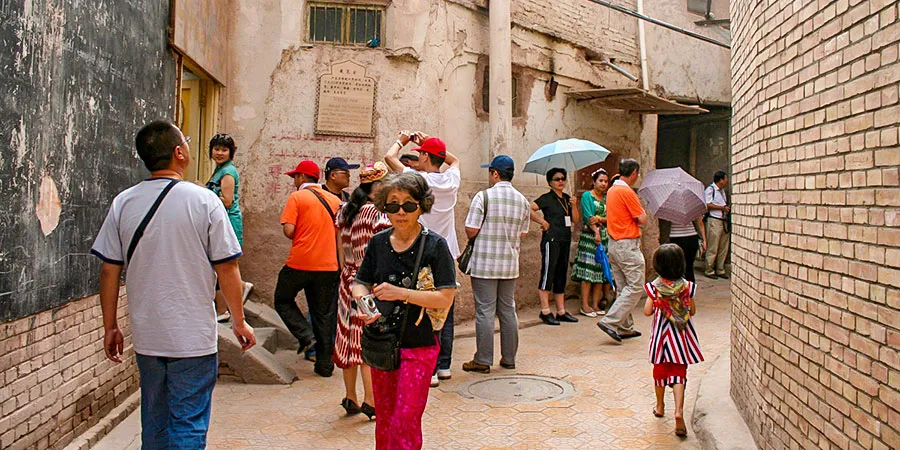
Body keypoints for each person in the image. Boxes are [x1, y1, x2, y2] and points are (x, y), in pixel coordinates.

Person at [91, 121, 256, 448]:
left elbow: (109, 271)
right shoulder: (205, 202)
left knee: (154, 421)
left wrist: (110, 327)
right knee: (188, 423)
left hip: (148, 336)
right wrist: (238, 320)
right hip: (193, 339)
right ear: (179, 153)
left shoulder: (123, 202)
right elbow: (227, 267)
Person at [352, 173, 457, 450]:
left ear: (422, 206)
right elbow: (360, 282)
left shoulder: (435, 245)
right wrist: (365, 306)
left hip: (419, 346)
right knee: (385, 420)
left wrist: (401, 294)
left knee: (405, 420)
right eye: (393, 205)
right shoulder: (378, 242)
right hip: (383, 343)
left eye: (409, 205)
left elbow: (446, 297)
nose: (400, 212)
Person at [384, 130, 460, 387]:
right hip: (447, 249)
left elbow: (389, 157)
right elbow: (455, 160)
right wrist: (428, 141)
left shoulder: (419, 180)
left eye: (421, 154)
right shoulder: (452, 180)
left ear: (425, 157)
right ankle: (445, 364)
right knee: (445, 306)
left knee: (422, 307)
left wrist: (403, 140)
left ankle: (431, 369)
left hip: (424, 249)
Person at [460, 156, 530, 374]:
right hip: (509, 265)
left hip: (485, 264)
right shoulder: (522, 200)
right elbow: (524, 232)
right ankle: (509, 358)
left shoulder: (484, 197)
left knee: (485, 311)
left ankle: (483, 359)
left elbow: (471, 229)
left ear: (495, 174)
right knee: (508, 310)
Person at [334, 162, 391, 420]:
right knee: (367, 339)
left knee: (347, 337)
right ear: (376, 186)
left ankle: (350, 396)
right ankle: (371, 400)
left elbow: (340, 248)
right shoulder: (376, 214)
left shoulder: (344, 210)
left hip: (346, 279)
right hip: (366, 284)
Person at [275, 160, 341, 377]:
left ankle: (305, 334)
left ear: (302, 178)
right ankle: (325, 366)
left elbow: (289, 230)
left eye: (295, 177)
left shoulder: (296, 197)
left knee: (282, 299)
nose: (294, 181)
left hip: (300, 262)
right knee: (324, 314)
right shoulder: (334, 200)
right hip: (329, 265)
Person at [642, 244, 704, 437]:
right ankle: (678, 411)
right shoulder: (687, 286)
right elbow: (692, 311)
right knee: (678, 374)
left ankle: (660, 406)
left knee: (660, 372)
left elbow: (647, 311)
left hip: (661, 338)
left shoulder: (655, 288)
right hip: (680, 337)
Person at [596, 159, 647, 343]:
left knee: (623, 287)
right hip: (627, 243)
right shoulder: (626, 190)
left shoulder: (611, 190)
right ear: (633, 173)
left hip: (614, 243)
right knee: (635, 286)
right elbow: (641, 218)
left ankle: (625, 326)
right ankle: (610, 321)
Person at [205, 133, 253, 323]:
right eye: (216, 148)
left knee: (222, 265)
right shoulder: (219, 169)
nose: (219, 152)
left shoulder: (227, 172)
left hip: (228, 223)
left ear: (231, 152)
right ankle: (241, 287)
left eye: (224, 149)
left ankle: (223, 311)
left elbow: (226, 201)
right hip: (221, 222)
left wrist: (202, 192)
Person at [530, 167, 580, 325]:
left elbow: (575, 220)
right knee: (548, 273)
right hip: (551, 240)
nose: (561, 181)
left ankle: (561, 311)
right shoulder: (546, 198)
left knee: (561, 273)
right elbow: (529, 208)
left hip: (565, 239)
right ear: (550, 182)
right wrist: (542, 222)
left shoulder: (567, 198)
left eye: (563, 179)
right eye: (557, 179)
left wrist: (575, 205)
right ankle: (545, 311)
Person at [571, 168, 612, 317]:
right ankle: (585, 305)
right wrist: (596, 231)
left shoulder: (608, 198)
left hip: (605, 238)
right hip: (589, 238)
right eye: (601, 181)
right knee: (588, 272)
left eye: (606, 181)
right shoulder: (587, 196)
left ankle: (595, 304)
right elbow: (588, 216)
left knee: (601, 272)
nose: (603, 184)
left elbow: (612, 217)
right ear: (594, 182)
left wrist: (600, 219)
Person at [704, 170, 730, 279]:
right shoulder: (711, 190)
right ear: (721, 180)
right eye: (725, 178)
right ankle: (709, 269)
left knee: (723, 246)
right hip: (714, 220)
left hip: (723, 220)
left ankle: (720, 269)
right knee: (713, 246)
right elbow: (707, 205)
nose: (727, 180)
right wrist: (722, 208)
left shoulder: (722, 191)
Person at [666, 216, 707, 283]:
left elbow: (700, 222)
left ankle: (687, 287)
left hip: (685, 237)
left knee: (688, 266)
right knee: (679, 266)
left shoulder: (669, 206)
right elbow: (700, 223)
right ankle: (686, 288)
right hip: (679, 237)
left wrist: (704, 239)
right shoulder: (691, 205)